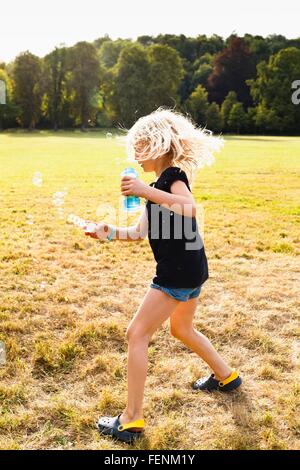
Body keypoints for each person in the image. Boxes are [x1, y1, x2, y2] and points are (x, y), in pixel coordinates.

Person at [85, 107, 242, 444]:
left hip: (176, 273)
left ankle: (131, 419)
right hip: (192, 269)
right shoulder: (157, 185)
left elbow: (188, 207)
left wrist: (144, 190)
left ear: (157, 145)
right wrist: (108, 232)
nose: (134, 155)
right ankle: (227, 377)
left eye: (139, 147)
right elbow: (141, 231)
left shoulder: (173, 175)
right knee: (182, 328)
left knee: (136, 334)